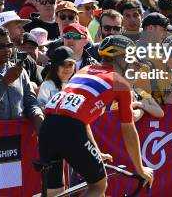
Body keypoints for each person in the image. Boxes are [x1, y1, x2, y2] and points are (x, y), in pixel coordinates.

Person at [39, 35, 154, 196]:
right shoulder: (120, 83)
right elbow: (128, 129)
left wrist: (96, 151)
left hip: (47, 127)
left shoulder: (84, 70)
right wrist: (140, 168)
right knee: (99, 185)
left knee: (55, 193)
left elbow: (82, 120)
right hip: (71, 130)